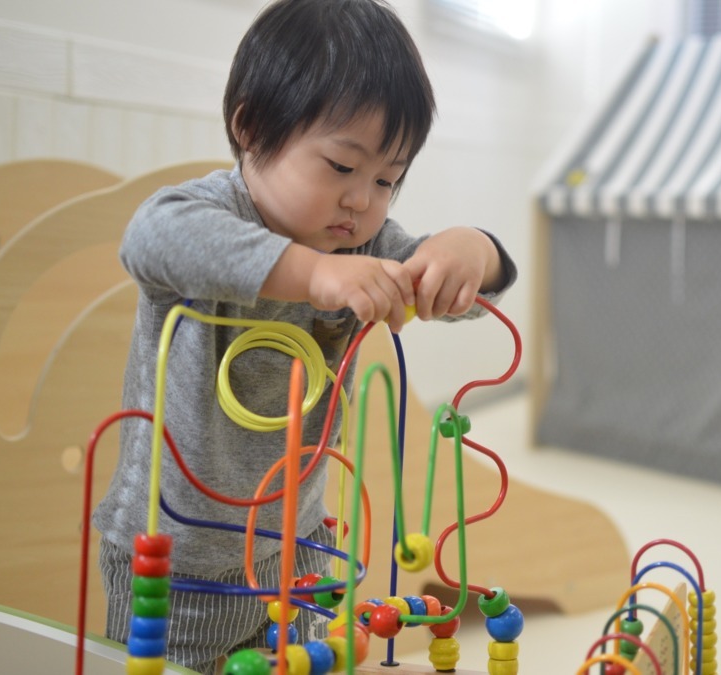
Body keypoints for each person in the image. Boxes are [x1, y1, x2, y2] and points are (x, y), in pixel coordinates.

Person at [92, 0, 517, 672]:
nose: (362, 200)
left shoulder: (363, 244)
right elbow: (150, 236)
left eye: (387, 179)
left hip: (297, 542)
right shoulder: (212, 213)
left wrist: (472, 249)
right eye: (342, 167)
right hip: (180, 557)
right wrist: (313, 274)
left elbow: (471, 295)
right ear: (251, 127)